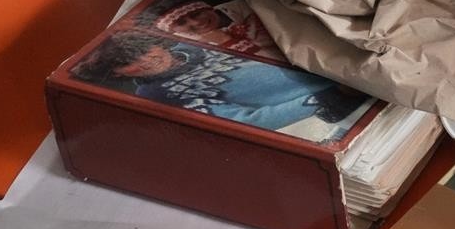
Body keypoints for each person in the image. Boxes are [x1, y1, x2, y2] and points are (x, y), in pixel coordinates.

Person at [72, 32, 372, 141]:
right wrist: (328, 96)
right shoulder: (157, 93)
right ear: (118, 74)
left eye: (142, 50)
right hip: (335, 98)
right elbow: (246, 121)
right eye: (128, 63)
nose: (146, 60)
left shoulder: (189, 42)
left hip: (336, 59)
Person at [134, 0, 280, 57]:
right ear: (174, 32)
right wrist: (225, 41)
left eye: (196, 13)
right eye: (181, 22)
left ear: (208, 8)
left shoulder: (249, 5)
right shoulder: (193, 51)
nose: (196, 22)